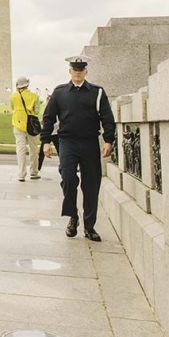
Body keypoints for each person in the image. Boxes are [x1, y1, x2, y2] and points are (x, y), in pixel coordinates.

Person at [41, 56, 115, 242]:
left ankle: (89, 226)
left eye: (81, 70)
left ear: (86, 72)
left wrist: (108, 140)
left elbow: (107, 118)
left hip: (90, 142)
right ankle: (73, 217)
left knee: (91, 184)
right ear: (70, 72)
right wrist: (46, 141)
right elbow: (48, 118)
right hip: (67, 142)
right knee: (68, 178)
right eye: (75, 70)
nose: (78, 73)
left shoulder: (97, 92)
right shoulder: (59, 93)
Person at [9, 76, 41, 182]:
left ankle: (21, 174)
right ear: (27, 84)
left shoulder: (13, 96)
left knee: (20, 149)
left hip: (18, 124)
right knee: (34, 149)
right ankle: (34, 172)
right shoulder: (34, 96)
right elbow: (36, 111)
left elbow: (12, 108)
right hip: (31, 125)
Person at [38, 93, 60, 171]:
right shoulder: (48, 109)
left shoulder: (56, 109)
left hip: (55, 133)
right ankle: (37, 167)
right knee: (41, 152)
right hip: (49, 133)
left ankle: (64, 165)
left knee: (61, 151)